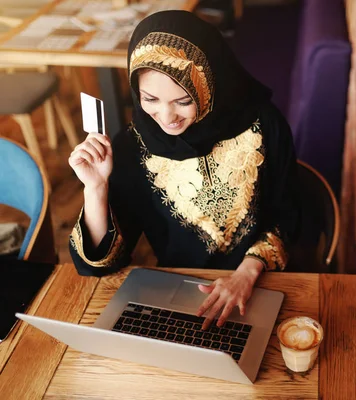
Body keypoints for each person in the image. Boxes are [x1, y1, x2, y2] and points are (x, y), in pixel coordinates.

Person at [68, 10, 299, 330]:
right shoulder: (132, 146)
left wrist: (246, 274)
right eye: (149, 99)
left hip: (263, 283)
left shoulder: (264, 125)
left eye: (183, 100)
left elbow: (289, 215)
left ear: (209, 85)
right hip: (184, 297)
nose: (166, 117)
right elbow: (101, 265)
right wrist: (95, 188)